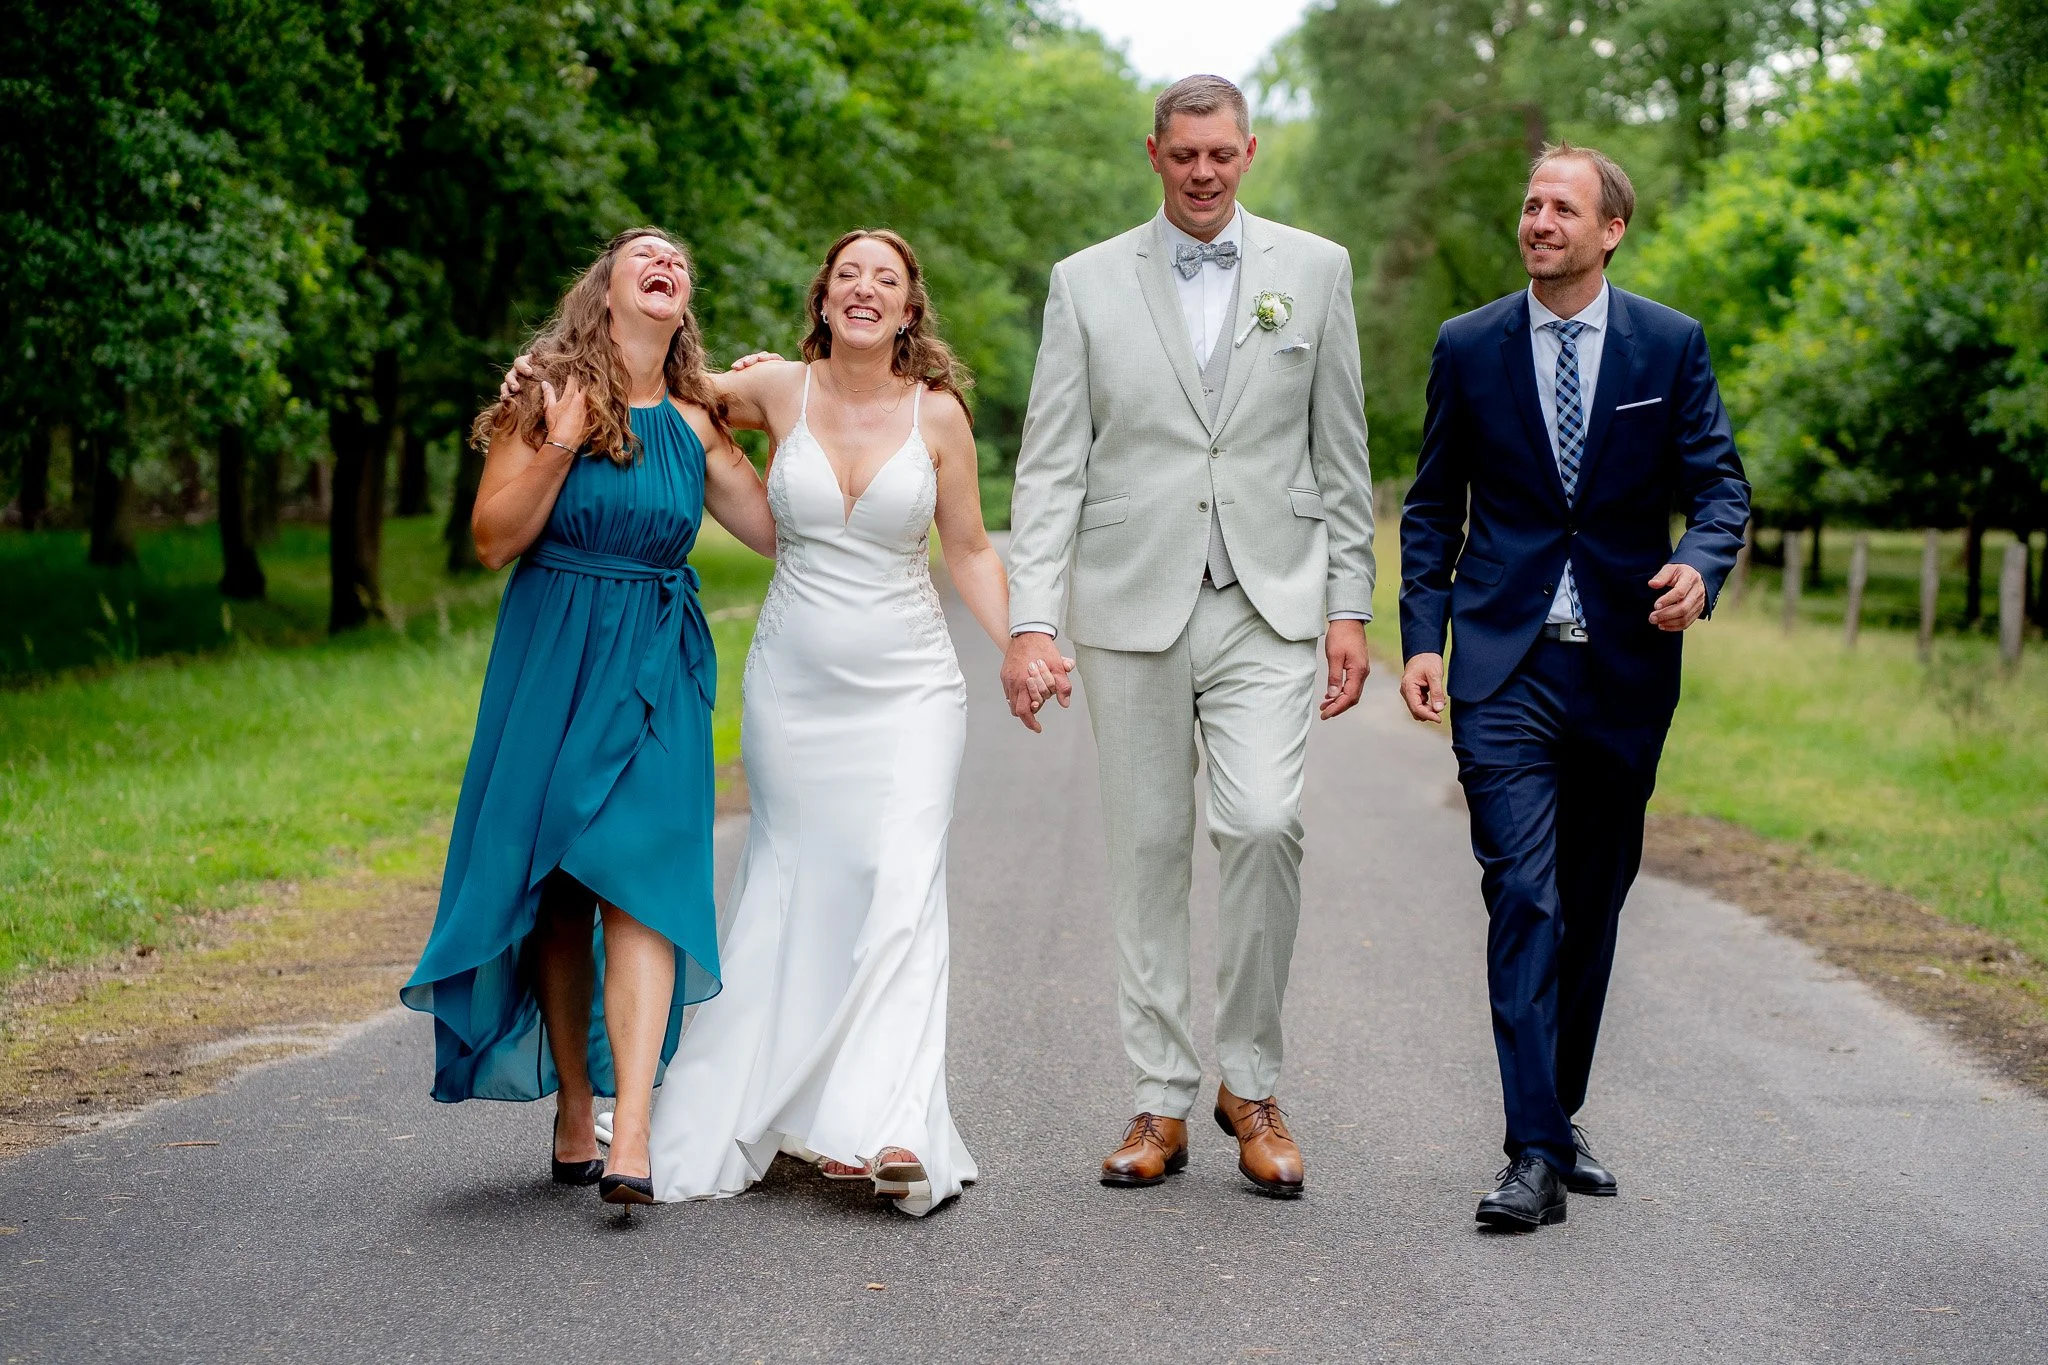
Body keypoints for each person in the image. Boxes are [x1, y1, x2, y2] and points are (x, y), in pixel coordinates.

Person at [531, 230, 1011, 1215]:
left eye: (886, 279)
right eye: (848, 276)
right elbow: (651, 380)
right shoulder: (771, 390)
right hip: (794, 686)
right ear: (823, 301)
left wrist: (1024, 644)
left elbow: (967, 549)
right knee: (794, 884)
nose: (865, 289)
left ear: (909, 310)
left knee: (901, 878)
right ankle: (775, 1102)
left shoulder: (939, 416)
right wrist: (537, 375)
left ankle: (890, 1125)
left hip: (912, 687)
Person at [1002, 75, 1375, 1198]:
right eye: (1183, 155)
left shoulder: (1316, 269)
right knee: (1148, 850)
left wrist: (1349, 604)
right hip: (1130, 598)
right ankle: (1159, 1097)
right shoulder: (1083, 281)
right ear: (1153, 154)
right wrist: (1031, 619)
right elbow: (1051, 462)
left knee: (1263, 823)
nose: (1202, 172)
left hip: (1270, 597)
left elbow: (1341, 451)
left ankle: (1249, 1083)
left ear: (1248, 152)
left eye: (1220, 154)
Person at [1399, 144, 1750, 1230]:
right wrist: (1422, 638)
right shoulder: (1468, 345)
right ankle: (1532, 1155)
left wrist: (1701, 565)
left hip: (1620, 667)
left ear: (1610, 231)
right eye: (1530, 204)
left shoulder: (1667, 344)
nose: (1539, 220)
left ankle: (1556, 1115)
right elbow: (1431, 507)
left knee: (1591, 904)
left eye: (1562, 207)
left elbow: (1720, 487)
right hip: (1501, 664)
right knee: (1524, 895)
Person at [402, 229, 775, 1207]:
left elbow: (783, 529)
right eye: (643, 255)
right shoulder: (547, 395)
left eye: (679, 260)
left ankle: (633, 1130)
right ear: (604, 289)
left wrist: (787, 415)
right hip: (553, 657)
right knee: (562, 888)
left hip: (656, 666)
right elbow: (493, 539)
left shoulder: (696, 424)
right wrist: (563, 440)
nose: (665, 264)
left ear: (683, 303)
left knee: (643, 883)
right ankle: (576, 1102)